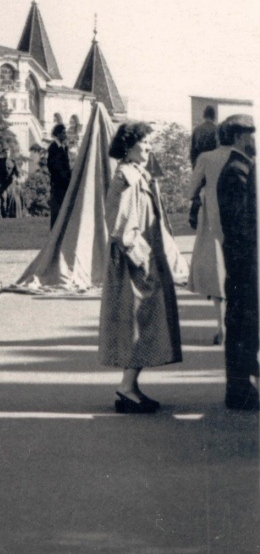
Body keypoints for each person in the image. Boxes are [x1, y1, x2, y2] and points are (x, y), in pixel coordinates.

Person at [98, 121, 182, 413]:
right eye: (144, 142)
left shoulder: (138, 174)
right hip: (135, 266)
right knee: (139, 324)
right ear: (128, 145)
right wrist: (143, 258)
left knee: (144, 323)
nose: (148, 147)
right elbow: (119, 226)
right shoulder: (126, 177)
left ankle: (129, 386)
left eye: (149, 143)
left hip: (143, 261)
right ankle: (126, 388)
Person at [215, 115, 258, 412]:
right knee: (242, 323)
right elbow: (241, 224)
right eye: (251, 134)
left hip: (243, 262)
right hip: (244, 263)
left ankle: (242, 386)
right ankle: (239, 389)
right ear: (241, 137)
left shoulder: (241, 168)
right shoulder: (236, 171)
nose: (255, 140)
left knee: (245, 323)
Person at [187, 127, 233, 345]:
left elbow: (190, 190)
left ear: (217, 137)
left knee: (217, 271)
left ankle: (220, 326)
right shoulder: (244, 157)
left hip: (213, 220)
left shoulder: (207, 157)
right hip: (241, 218)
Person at [46, 123, 72, 228]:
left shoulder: (62, 147)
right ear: (58, 134)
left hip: (62, 183)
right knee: (57, 210)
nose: (65, 135)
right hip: (58, 183)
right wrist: (66, 178)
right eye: (63, 133)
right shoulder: (54, 148)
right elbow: (55, 167)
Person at [0, 151, 22, 218]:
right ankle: (4, 214)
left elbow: (18, 171)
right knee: (3, 198)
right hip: (2, 183)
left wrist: (17, 178)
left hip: (10, 184)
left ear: (9, 153)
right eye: (5, 152)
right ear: (3, 153)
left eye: (8, 152)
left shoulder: (12, 161)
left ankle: (8, 214)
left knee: (10, 199)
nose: (7, 154)